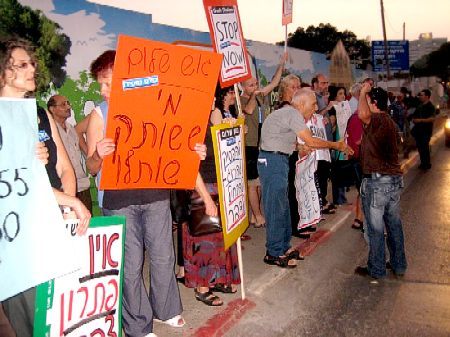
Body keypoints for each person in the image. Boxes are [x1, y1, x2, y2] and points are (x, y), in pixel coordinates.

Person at [85, 50, 207, 337]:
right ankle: (137, 325)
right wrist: (98, 156)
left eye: (107, 83)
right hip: (118, 201)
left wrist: (193, 153)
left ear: (126, 79)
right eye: (100, 84)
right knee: (131, 265)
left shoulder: (154, 107)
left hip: (154, 194)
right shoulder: (98, 115)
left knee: (164, 256)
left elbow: (174, 144)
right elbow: (90, 167)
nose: (102, 91)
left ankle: (166, 310)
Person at [0, 38, 90, 337]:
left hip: (52, 219)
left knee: (62, 308)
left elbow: (65, 167)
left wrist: (66, 204)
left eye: (32, 63)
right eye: (22, 64)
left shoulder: (40, 112)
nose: (31, 69)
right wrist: (66, 201)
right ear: (3, 71)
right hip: (18, 234)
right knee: (31, 317)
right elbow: (15, 181)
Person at [258, 88, 353, 268]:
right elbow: (310, 140)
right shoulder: (293, 113)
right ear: (301, 104)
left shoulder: (288, 114)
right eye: (313, 104)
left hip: (278, 160)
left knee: (283, 207)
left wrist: (299, 148)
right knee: (276, 208)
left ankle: (283, 247)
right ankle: (274, 252)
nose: (316, 108)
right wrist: (336, 145)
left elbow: (282, 138)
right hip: (273, 162)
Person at [182, 85, 241, 306]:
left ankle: (216, 279)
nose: (212, 100)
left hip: (218, 183)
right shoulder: (191, 125)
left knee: (219, 237)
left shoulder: (208, 121)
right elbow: (190, 167)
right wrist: (206, 197)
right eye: (207, 96)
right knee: (203, 238)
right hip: (202, 187)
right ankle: (202, 286)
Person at [355, 83, 407, 282]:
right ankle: (398, 264)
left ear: (373, 103)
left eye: (368, 101)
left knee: (375, 228)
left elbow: (362, 115)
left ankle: (377, 268)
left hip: (378, 182)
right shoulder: (389, 122)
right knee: (393, 224)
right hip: (392, 180)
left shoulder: (377, 118)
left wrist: (362, 93)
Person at [240, 53, 286, 228]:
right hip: (249, 145)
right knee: (252, 184)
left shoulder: (259, 95)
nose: (255, 86)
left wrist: (281, 64)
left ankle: (254, 214)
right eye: (251, 85)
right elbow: (250, 110)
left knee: (259, 183)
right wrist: (255, 94)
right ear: (244, 87)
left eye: (256, 83)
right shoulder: (242, 100)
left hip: (262, 144)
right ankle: (258, 216)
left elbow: (274, 82)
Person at [47, 95, 92, 212]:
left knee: (88, 226)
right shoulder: (49, 132)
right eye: (63, 105)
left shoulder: (72, 129)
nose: (68, 107)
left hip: (83, 187)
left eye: (68, 103)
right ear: (52, 109)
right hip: (64, 191)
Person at [411, 89, 436, 170]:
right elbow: (414, 117)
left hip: (426, 131)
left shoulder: (431, 107)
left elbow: (432, 119)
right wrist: (414, 120)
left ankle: (427, 164)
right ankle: (422, 163)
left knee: (425, 147)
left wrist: (421, 120)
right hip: (418, 131)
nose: (420, 97)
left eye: (422, 95)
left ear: (427, 96)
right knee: (420, 148)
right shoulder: (419, 106)